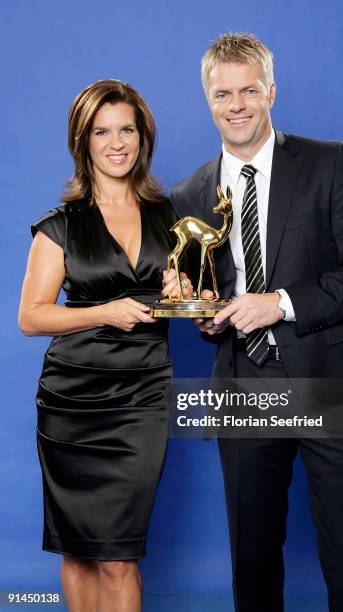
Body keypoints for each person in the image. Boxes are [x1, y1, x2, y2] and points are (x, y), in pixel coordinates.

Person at [169, 33, 343, 612]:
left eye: (249, 91)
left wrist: (283, 301)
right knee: (252, 562)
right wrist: (205, 315)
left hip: (336, 379)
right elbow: (206, 299)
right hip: (245, 385)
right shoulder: (190, 193)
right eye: (223, 95)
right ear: (208, 100)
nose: (237, 105)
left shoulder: (328, 161)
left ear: (272, 92)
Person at [18, 79, 191, 612]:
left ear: (143, 138)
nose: (117, 142)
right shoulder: (59, 226)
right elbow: (31, 317)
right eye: (102, 131)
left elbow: (185, 295)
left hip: (143, 397)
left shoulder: (173, 215)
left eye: (127, 130)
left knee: (119, 555)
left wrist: (185, 293)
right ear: (83, 141)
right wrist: (104, 312)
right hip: (72, 402)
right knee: (80, 551)